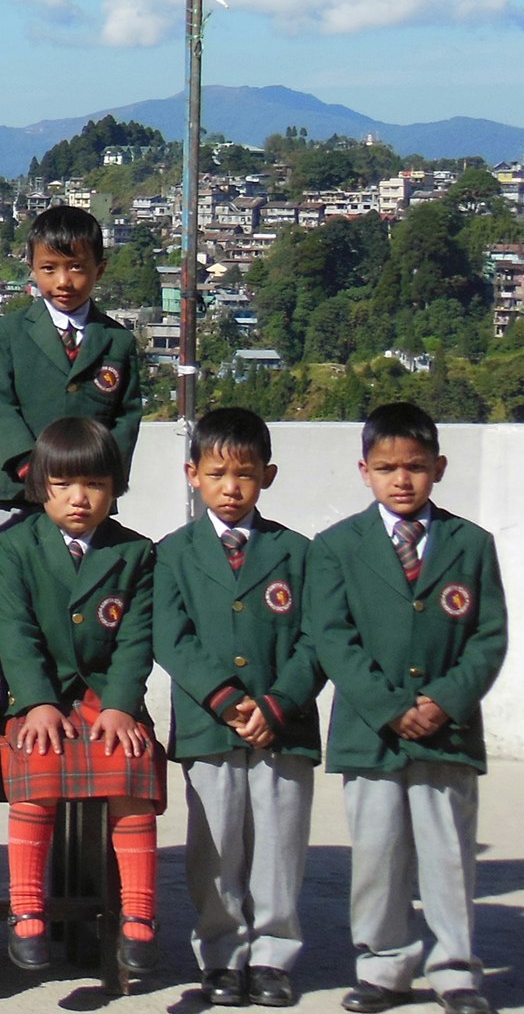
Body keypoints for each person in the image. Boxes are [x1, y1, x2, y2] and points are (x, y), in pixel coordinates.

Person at [308, 403, 506, 1014]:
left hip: (447, 734)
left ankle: (454, 969)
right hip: (373, 734)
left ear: (439, 468)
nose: (402, 480)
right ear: (363, 470)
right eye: (388, 467)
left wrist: (444, 701)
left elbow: (489, 636)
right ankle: (383, 965)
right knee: (377, 853)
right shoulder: (337, 546)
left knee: (447, 853)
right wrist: (392, 706)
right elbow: (331, 636)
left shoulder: (472, 545)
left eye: (416, 467)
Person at [154, 408, 320, 1007]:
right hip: (210, 724)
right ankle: (222, 953)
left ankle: (274, 956)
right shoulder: (171, 554)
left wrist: (277, 702)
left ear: (268, 476)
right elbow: (172, 637)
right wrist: (226, 700)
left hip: (283, 726)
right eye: (218, 473)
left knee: (279, 845)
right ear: (192, 473)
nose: (232, 488)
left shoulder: (298, 553)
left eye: (246, 475)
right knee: (216, 847)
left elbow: (317, 637)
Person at [0, 417, 163, 974]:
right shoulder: (16, 546)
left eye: (93, 484)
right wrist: (37, 700)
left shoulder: (135, 553)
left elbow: (137, 638)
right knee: (37, 761)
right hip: (39, 698)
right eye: (62, 484)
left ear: (114, 488)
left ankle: (138, 916)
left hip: (106, 698)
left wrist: (119, 705)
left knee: (132, 760)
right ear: (41, 485)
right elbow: (14, 630)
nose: (78, 498)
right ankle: (27, 911)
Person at [0, 204, 142, 512]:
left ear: (100, 269)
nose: (63, 281)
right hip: (21, 486)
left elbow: (126, 417)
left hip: (87, 494)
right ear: (32, 267)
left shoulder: (117, 340)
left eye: (76, 267)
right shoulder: (10, 332)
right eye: (49, 268)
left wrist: (105, 476)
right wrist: (29, 465)